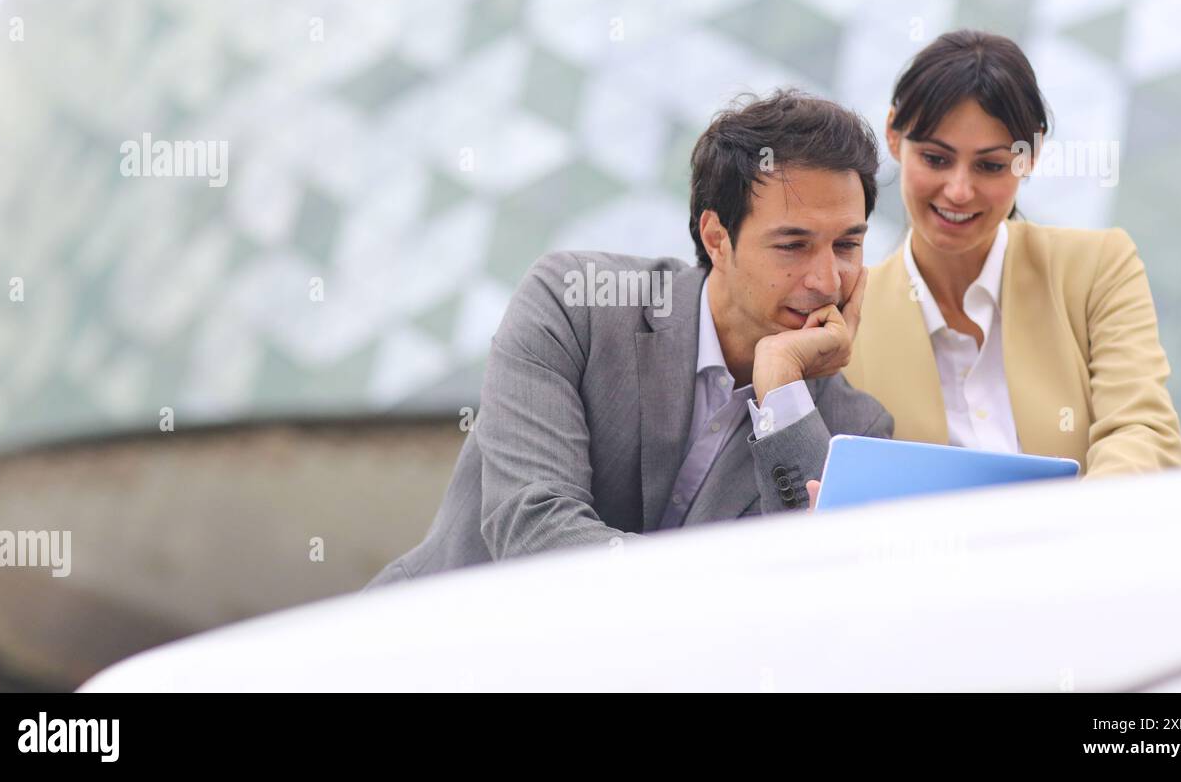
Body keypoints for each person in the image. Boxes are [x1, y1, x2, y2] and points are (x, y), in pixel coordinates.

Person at [366, 89, 891, 587]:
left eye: (847, 245)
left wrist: (781, 395)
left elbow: (814, 588)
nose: (827, 280)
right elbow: (534, 531)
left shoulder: (852, 429)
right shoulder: (575, 304)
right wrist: (736, 589)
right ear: (716, 239)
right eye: (793, 245)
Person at [841, 30, 1181, 478]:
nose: (959, 191)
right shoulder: (848, 316)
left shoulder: (1098, 269)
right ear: (893, 136)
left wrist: (1084, 535)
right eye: (936, 159)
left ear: (1031, 155)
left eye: (990, 165)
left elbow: (1142, 429)